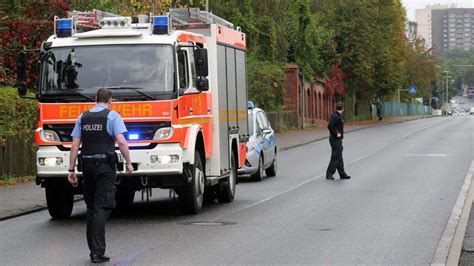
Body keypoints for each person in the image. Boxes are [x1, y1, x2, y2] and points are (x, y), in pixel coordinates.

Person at [68, 88, 134, 263]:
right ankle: (97, 251)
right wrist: (128, 162)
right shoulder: (112, 116)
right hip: (104, 167)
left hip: (86, 166)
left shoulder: (82, 117)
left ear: (95, 99)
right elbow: (121, 141)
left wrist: (71, 170)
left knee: (91, 206)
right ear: (110, 100)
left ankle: (93, 249)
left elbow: (75, 145)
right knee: (102, 206)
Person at [326, 102, 351, 180]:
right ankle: (329, 173)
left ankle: (342, 173)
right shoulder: (335, 116)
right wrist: (336, 134)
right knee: (335, 157)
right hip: (335, 139)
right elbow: (330, 126)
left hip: (336, 139)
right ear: (343, 108)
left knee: (339, 156)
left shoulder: (336, 115)